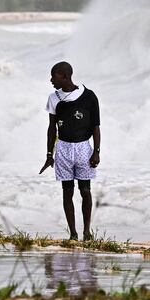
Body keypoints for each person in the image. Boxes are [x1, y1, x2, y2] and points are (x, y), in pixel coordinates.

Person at [39, 61, 101, 240]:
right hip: (63, 148)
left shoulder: (89, 96)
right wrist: (49, 154)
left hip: (83, 148)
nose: (51, 80)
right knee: (67, 191)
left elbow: (96, 126)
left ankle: (87, 232)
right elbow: (52, 128)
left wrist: (96, 151)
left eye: (54, 76)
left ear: (65, 76)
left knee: (85, 190)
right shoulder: (54, 98)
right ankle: (73, 234)